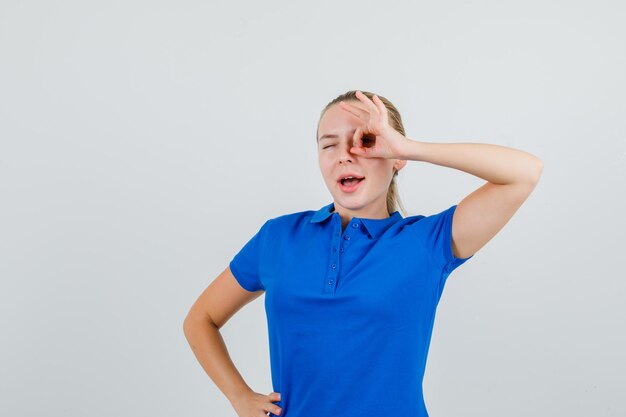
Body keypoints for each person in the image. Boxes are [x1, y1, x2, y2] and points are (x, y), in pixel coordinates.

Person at [183, 90, 543, 417]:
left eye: (366, 141)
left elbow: (524, 173)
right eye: (329, 145)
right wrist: (239, 396)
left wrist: (409, 147)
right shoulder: (278, 237)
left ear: (394, 156)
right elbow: (201, 319)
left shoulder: (426, 242)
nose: (344, 156)